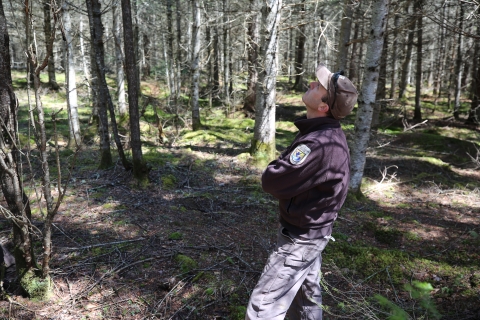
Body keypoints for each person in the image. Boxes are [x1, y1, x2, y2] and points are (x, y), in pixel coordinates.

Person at [245, 63, 358, 320]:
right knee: (306, 302)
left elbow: (272, 181)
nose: (311, 84)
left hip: (300, 241)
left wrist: (278, 163)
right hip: (312, 235)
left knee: (263, 309)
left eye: (318, 86)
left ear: (323, 106)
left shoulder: (318, 143)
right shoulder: (322, 134)